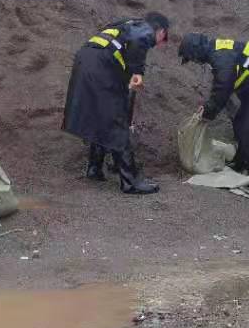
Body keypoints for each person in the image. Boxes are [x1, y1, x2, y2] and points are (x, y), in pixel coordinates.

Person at [61, 13, 171, 194]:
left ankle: (95, 168)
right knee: (116, 121)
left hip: (85, 60)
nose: (160, 43)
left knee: (101, 117)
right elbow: (138, 41)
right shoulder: (144, 29)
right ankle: (130, 182)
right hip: (101, 66)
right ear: (160, 30)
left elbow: (119, 59)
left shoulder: (124, 25)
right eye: (163, 38)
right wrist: (137, 72)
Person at [179, 34, 249, 174]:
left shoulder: (220, 56)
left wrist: (208, 111)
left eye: (193, 59)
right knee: (241, 122)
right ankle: (239, 162)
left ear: (196, 52)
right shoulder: (216, 51)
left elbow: (223, 87)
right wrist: (208, 106)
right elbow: (221, 84)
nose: (195, 62)